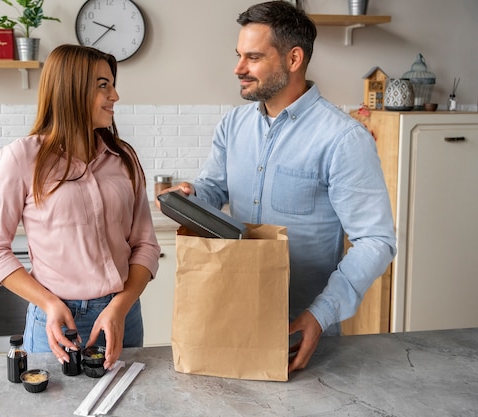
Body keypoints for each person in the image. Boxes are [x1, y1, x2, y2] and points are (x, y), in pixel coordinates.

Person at [158, 1, 396, 372]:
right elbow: (214, 189)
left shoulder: (343, 138)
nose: (238, 69)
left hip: (303, 331)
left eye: (252, 57)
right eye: (238, 56)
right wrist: (191, 197)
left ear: (294, 58)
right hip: (233, 312)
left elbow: (376, 241)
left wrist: (321, 314)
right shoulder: (232, 126)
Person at [0, 44, 160, 370]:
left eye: (112, 84)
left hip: (123, 315)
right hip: (56, 319)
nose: (115, 95)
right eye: (103, 85)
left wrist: (120, 307)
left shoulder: (124, 158)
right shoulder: (21, 158)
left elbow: (145, 244)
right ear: (71, 89)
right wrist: (48, 303)